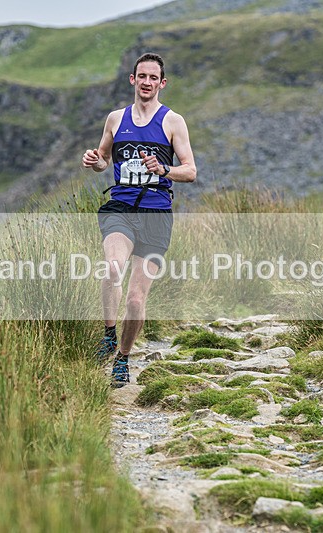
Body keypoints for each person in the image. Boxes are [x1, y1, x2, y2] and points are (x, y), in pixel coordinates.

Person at [81, 52, 197, 387]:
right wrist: (94, 160)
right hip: (122, 208)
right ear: (132, 80)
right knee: (113, 267)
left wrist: (164, 169)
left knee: (135, 299)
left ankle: (123, 357)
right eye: (141, 76)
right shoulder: (116, 119)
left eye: (153, 78)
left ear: (162, 83)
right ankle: (107, 334)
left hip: (157, 215)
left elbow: (190, 171)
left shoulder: (172, 122)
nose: (146, 83)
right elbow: (103, 159)